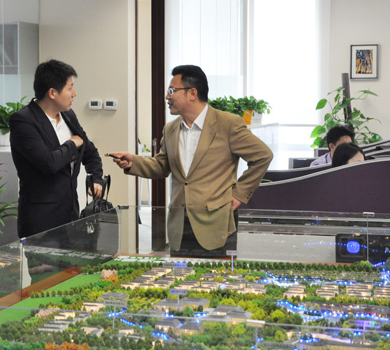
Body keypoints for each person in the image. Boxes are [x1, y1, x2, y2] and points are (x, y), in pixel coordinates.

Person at [108, 65, 273, 257]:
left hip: (216, 223)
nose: (167, 96)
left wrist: (239, 194)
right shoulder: (170, 129)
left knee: (216, 275)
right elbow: (162, 166)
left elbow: (263, 155)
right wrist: (133, 163)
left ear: (192, 93)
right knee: (179, 274)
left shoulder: (228, 124)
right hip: (179, 226)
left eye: (172, 90)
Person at [9, 59, 103, 239]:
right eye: (70, 88)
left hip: (71, 216)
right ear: (52, 93)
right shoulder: (23, 120)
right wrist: (72, 144)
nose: (74, 94)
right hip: (41, 221)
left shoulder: (68, 115)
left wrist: (96, 178)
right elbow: (48, 163)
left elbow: (90, 152)